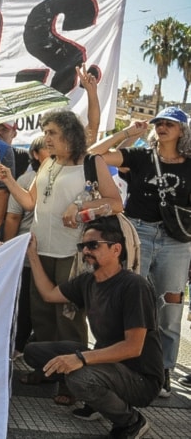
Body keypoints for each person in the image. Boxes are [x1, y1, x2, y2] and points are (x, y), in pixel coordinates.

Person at [0, 109, 123, 405]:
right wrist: (9, 180)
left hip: (73, 253)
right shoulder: (48, 163)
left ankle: (71, 380)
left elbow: (115, 203)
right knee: (41, 314)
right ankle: (47, 370)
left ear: (69, 134)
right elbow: (29, 202)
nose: (46, 138)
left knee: (68, 319)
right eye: (46, 132)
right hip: (40, 251)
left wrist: (81, 210)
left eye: (52, 132)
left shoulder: (92, 163)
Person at [23, 216, 163, 438]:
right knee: (34, 352)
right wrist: (32, 254)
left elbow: (133, 348)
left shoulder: (134, 286)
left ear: (116, 249)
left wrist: (80, 359)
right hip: (107, 363)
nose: (86, 251)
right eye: (83, 246)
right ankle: (98, 400)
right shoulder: (87, 281)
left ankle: (131, 421)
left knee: (78, 378)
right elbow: (49, 295)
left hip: (139, 378)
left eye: (93, 245)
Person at [88, 106, 191, 397]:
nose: (162, 127)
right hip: (139, 233)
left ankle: (163, 370)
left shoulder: (190, 163)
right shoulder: (140, 156)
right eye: (159, 122)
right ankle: (124, 366)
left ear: (182, 130)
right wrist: (127, 133)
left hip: (177, 241)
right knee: (131, 302)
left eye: (170, 123)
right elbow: (94, 154)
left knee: (170, 308)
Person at [3, 135, 48, 356]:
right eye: (48, 148)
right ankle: (17, 347)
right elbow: (12, 218)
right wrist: (9, 251)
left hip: (55, 252)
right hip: (27, 253)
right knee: (26, 304)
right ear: (36, 155)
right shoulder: (25, 180)